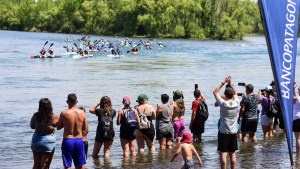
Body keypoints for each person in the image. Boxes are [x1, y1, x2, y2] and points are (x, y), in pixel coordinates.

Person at [213, 75, 239, 169]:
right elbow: (235, 93)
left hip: (223, 132)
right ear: (232, 95)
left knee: (223, 153)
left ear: (225, 94)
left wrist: (223, 82)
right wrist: (230, 83)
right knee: (232, 154)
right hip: (233, 132)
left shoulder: (223, 104)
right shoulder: (237, 103)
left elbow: (215, 92)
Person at [57, 93, 87, 169]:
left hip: (68, 140)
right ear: (76, 101)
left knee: (67, 166)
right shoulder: (82, 112)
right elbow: (85, 129)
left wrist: (66, 124)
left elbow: (58, 127)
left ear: (67, 101)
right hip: (79, 140)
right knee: (80, 166)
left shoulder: (64, 113)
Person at [30, 98, 59, 169]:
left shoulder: (36, 115)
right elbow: (58, 126)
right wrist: (50, 127)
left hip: (36, 140)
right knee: (45, 166)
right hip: (48, 141)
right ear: (50, 106)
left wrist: (39, 125)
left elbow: (32, 126)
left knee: (36, 165)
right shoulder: (54, 116)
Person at [293, 83, 300, 154]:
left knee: (297, 138)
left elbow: (292, 97)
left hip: (297, 118)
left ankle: (298, 154)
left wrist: (293, 88)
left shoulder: (297, 98)